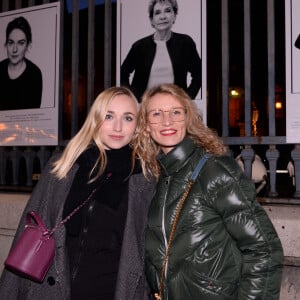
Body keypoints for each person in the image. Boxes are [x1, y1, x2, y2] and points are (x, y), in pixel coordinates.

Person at [0, 86, 156, 299]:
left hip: (109, 291)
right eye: (109, 116)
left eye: (128, 118)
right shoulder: (64, 166)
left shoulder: (144, 178)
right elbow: (27, 233)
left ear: (137, 125)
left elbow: (147, 252)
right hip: (51, 289)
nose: (118, 126)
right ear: (95, 119)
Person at [132, 83, 284, 299]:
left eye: (176, 112)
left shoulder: (214, 171)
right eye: (156, 113)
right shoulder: (157, 178)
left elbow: (264, 250)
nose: (167, 121)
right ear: (146, 125)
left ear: (188, 118)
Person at [121, 0, 201, 102]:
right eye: (157, 12)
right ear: (152, 20)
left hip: (174, 107)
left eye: (167, 11)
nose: (163, 16)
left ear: (174, 16)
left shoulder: (185, 43)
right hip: (144, 108)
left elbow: (199, 74)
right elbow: (123, 73)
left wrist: (187, 99)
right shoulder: (139, 46)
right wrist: (132, 99)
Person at [0, 16, 42, 111]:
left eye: (20, 43)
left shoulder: (34, 74)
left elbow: (32, 115)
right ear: (6, 44)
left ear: (28, 45)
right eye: (11, 42)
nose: (14, 49)